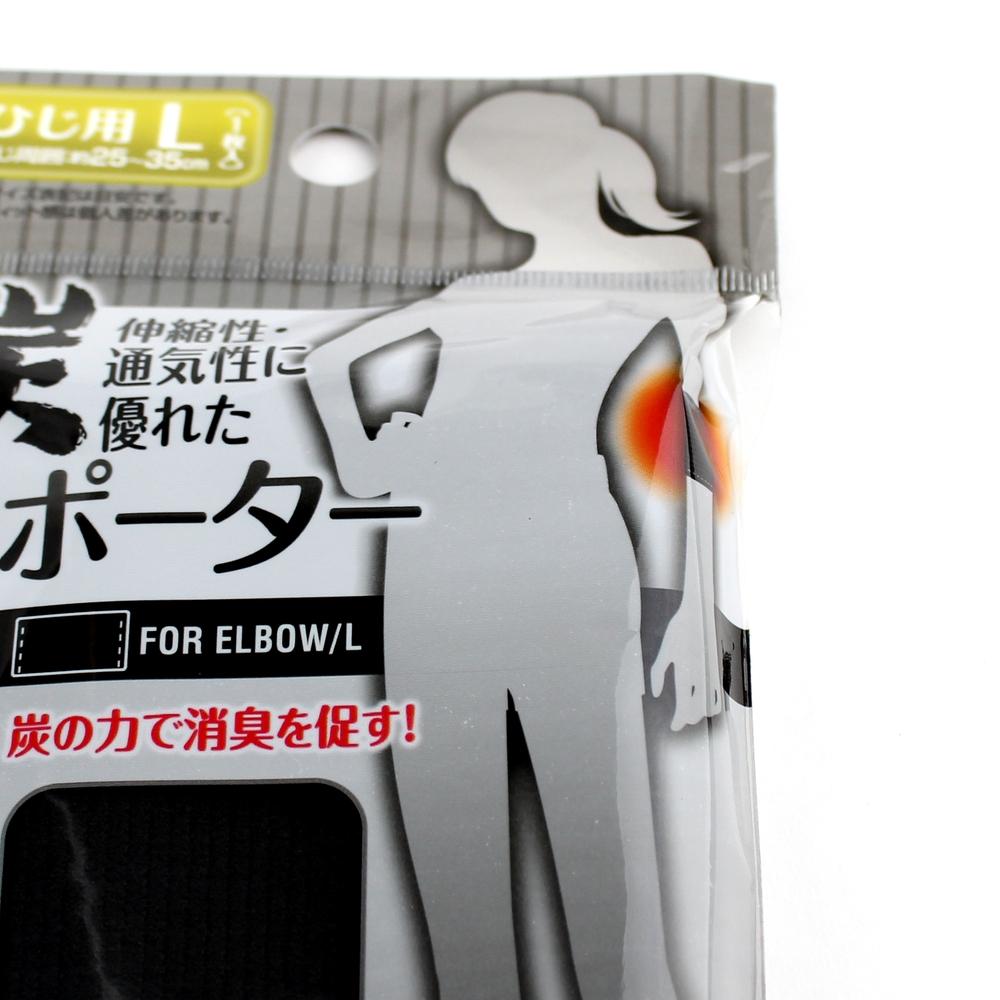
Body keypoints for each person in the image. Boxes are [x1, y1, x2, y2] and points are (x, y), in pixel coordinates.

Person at [306, 91, 726, 1000]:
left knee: (594, 830)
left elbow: (683, 451)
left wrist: (696, 614)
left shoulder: (667, 270)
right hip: (437, 567)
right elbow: (327, 361)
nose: (493, 203)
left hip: (567, 567)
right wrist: (371, 463)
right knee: (452, 835)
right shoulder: (480, 298)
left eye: (492, 182)